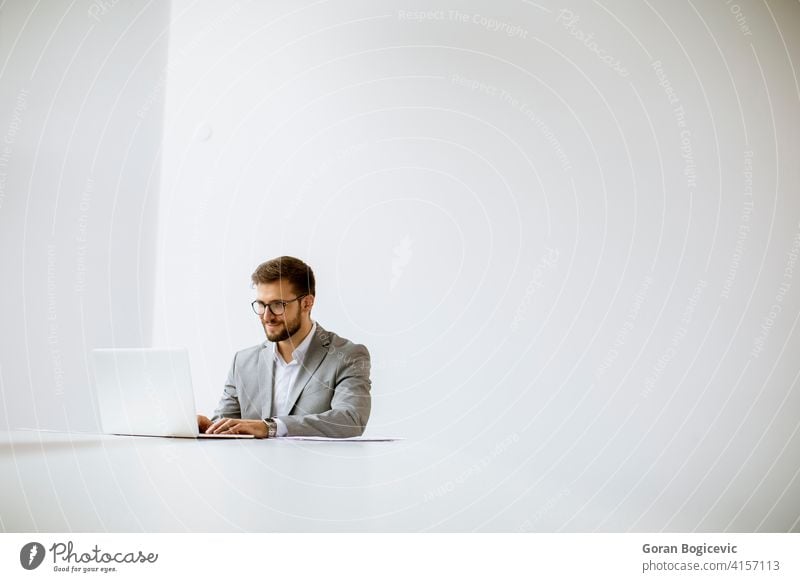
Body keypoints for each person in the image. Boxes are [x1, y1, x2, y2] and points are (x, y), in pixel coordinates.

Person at [197, 256, 371, 438]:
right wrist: (205, 427)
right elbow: (226, 425)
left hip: (317, 466)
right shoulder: (242, 362)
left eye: (277, 305)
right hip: (253, 466)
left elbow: (351, 420)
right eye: (261, 305)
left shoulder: (347, 356)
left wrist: (270, 427)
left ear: (307, 303)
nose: (266, 316)